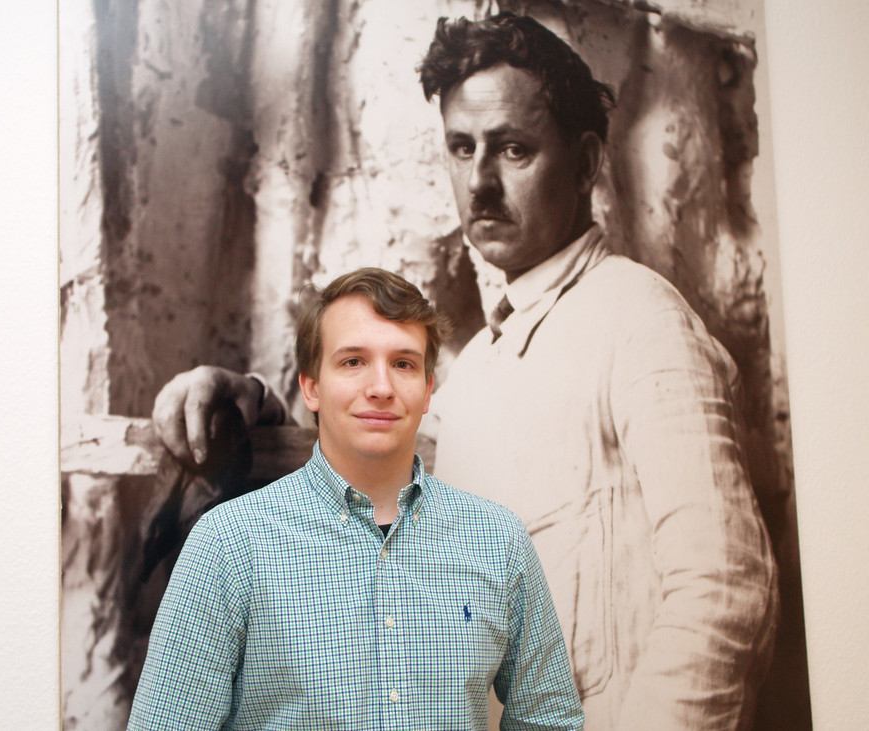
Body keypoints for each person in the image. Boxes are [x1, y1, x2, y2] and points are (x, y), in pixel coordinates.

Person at [151, 13, 778, 730]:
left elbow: (725, 587)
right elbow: (366, 463)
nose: (479, 182)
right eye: (461, 147)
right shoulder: (480, 367)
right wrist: (249, 406)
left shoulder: (638, 318)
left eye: (513, 149)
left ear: (585, 164)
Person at [130, 268, 584, 730]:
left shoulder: (498, 541)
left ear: (428, 390)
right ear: (311, 387)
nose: (381, 388)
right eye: (353, 362)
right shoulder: (228, 545)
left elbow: (550, 720)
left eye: (404, 364)